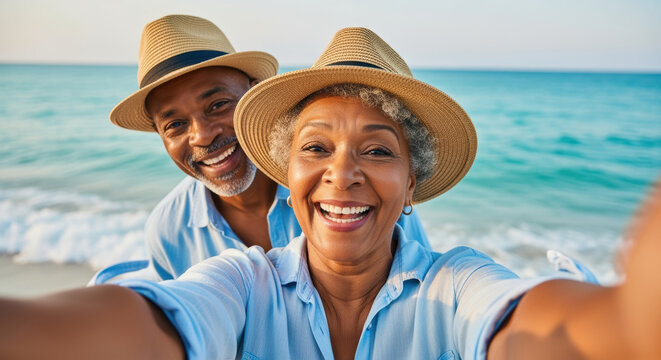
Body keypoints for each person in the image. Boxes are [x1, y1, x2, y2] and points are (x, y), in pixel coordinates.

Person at [2, 27, 660, 360]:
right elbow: (158, 322)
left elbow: (533, 325)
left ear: (412, 188)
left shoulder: (449, 282)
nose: (342, 174)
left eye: (377, 150)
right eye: (315, 148)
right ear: (288, 172)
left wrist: (630, 321)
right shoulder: (230, 274)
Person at [100, 15, 429, 282]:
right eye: (175, 125)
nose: (201, 136)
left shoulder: (347, 195)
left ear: (253, 96)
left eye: (218, 105)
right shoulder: (170, 229)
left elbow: (421, 290)